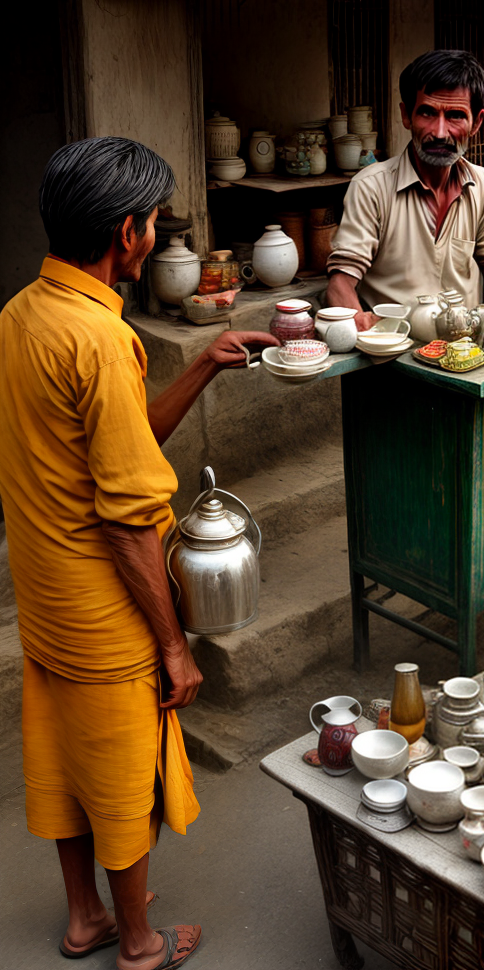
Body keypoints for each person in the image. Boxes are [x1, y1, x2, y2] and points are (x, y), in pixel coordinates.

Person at [0, 137, 277, 969]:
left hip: (46, 598)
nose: (155, 235)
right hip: (104, 608)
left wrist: (202, 367)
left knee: (64, 761)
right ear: (128, 233)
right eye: (154, 221)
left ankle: (86, 917)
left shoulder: (22, 314)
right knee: (124, 778)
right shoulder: (99, 338)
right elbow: (126, 520)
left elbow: (117, 448)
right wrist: (172, 647)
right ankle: (141, 945)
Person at [325, 49, 484, 329]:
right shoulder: (371, 187)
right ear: (406, 116)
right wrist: (362, 326)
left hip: (464, 347)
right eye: (427, 112)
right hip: (395, 348)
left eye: (455, 116)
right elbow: (340, 283)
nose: (439, 132)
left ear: (477, 123)